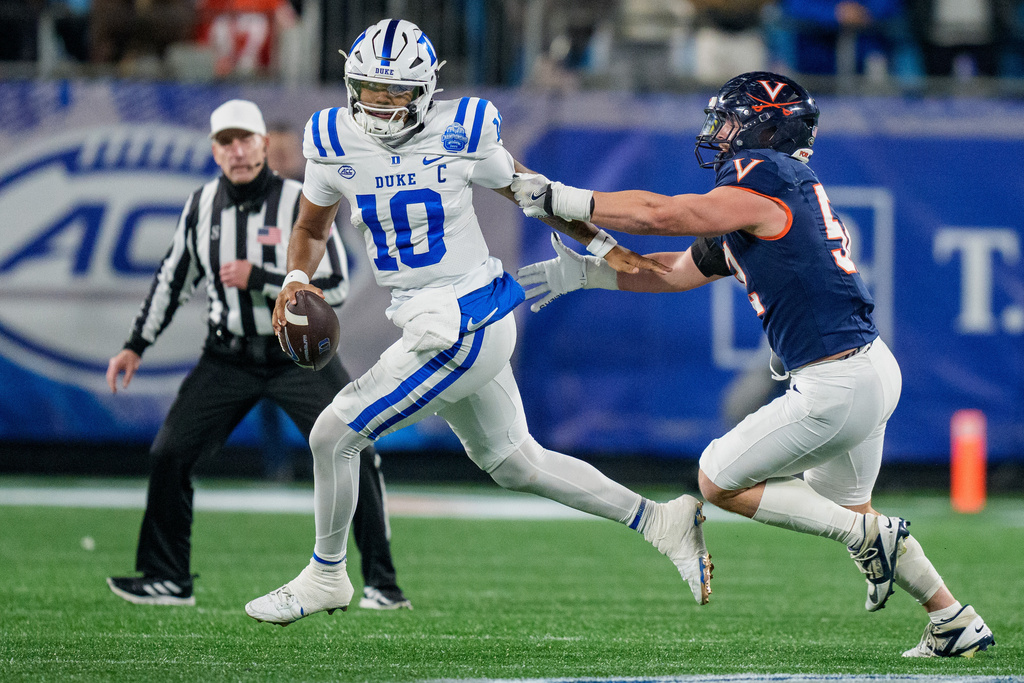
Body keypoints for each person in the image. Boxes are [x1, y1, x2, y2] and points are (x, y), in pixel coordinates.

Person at [244, 18, 712, 626]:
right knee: (516, 462)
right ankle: (660, 520)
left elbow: (535, 193)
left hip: (464, 321)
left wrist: (601, 245)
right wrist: (295, 281)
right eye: (369, 88)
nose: (380, 105)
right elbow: (310, 227)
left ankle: (326, 575)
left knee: (334, 434)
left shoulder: (461, 132)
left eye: (395, 93)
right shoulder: (332, 137)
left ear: (425, 92)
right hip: (424, 317)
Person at [511, 72, 995, 658]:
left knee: (718, 480)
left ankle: (869, 539)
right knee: (850, 510)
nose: (717, 134)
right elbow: (671, 271)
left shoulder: (767, 173)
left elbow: (664, 214)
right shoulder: (764, 200)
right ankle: (952, 620)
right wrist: (590, 273)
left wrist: (568, 198)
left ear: (765, 125)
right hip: (865, 370)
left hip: (835, 381)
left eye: (729, 120)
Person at [105, 98, 411, 611]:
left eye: (246, 138)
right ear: (215, 150)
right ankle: (167, 578)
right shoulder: (201, 205)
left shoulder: (300, 198)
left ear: (264, 145)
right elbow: (172, 279)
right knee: (169, 454)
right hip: (227, 354)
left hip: (297, 357)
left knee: (357, 450)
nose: (238, 150)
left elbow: (335, 283)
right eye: (226, 141)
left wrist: (267, 281)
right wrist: (136, 344)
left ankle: (384, 583)